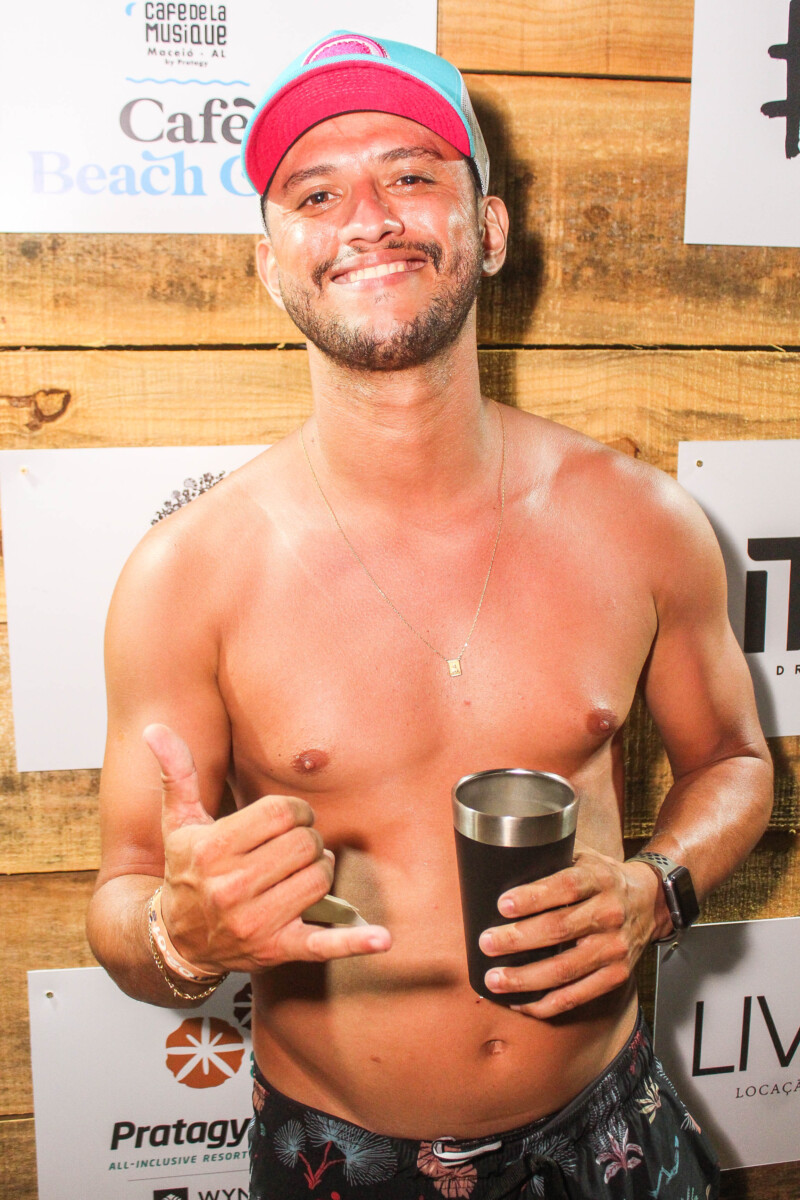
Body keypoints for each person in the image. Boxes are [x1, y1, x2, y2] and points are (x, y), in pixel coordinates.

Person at [86, 31, 773, 1200]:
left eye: (409, 173)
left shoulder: (642, 520)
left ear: (488, 229)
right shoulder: (183, 574)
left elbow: (733, 764)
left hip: (610, 1120)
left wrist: (655, 890)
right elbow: (124, 895)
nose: (367, 216)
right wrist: (179, 937)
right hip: (335, 1156)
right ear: (269, 264)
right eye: (315, 193)